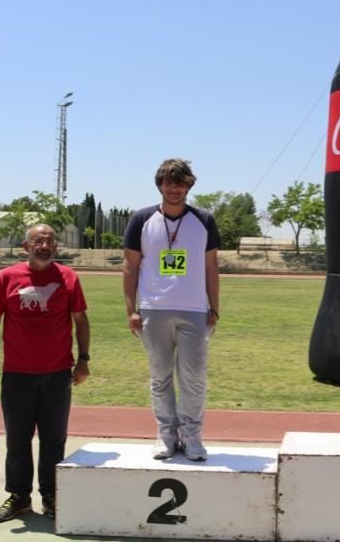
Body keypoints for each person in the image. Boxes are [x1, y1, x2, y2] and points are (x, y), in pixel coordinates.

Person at [0, 224, 90, 524]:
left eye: (50, 240)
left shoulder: (68, 277)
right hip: (17, 373)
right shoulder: (7, 277)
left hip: (56, 373)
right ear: (25, 246)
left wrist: (83, 360)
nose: (45, 245)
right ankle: (19, 497)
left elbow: (81, 320)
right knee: (17, 439)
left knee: (54, 440)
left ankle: (53, 495)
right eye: (38, 240)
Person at [123, 158, 220, 462]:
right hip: (153, 308)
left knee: (193, 377)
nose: (173, 188)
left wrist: (214, 307)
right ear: (159, 185)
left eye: (179, 183)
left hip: (193, 309)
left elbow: (211, 265)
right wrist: (132, 309)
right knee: (160, 376)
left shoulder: (203, 219)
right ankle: (166, 434)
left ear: (188, 185)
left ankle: (192, 435)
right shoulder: (141, 219)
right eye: (168, 183)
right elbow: (130, 266)